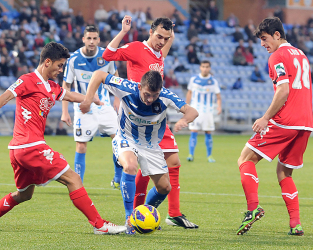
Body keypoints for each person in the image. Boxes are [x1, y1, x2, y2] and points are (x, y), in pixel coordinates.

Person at [0, 42, 126, 235]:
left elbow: (69, 95)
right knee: (73, 179)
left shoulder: (51, 87)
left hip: (18, 151)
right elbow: (6, 96)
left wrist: (90, 97)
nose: (61, 70)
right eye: (59, 65)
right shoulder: (27, 80)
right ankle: (99, 224)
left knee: (24, 194)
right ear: (47, 62)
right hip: (31, 146)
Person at [103, 16, 199, 229]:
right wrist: (123, 32)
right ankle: (139, 214)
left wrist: (169, 31)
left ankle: (152, 215)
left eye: (166, 38)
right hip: (137, 113)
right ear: (150, 31)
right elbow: (107, 54)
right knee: (143, 167)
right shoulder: (137, 48)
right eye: (158, 36)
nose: (162, 41)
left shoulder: (158, 54)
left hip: (155, 116)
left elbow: (165, 45)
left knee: (172, 162)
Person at [80, 70, 198, 234]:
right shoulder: (127, 88)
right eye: (147, 94)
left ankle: (143, 214)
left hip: (151, 146)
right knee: (129, 166)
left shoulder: (166, 96)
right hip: (126, 138)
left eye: (154, 95)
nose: (150, 100)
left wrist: (184, 120)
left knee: (164, 188)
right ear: (139, 86)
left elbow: (192, 111)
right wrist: (87, 99)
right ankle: (130, 218)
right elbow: (99, 75)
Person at [236, 17, 313, 236]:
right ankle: (295, 224)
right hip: (305, 123)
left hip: (285, 120)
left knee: (245, 159)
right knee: (284, 173)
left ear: (277, 35)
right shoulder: (301, 55)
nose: (262, 44)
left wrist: (266, 118)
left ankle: (252, 208)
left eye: (264, 38)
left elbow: (284, 90)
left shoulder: (277, 56)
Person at [61, 25, 119, 183]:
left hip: (104, 105)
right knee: (81, 146)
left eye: (94, 38)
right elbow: (66, 86)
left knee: (119, 140)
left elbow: (115, 76)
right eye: (89, 38)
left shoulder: (106, 56)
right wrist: (64, 111)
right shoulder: (73, 59)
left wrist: (117, 99)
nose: (92, 41)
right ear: (83, 39)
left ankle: (118, 178)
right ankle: (78, 182)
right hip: (83, 108)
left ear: (98, 40)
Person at [186, 60, 221, 163]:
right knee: (193, 131)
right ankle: (191, 154)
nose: (205, 69)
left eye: (207, 67)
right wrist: (186, 106)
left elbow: (218, 96)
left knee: (208, 132)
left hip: (208, 111)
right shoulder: (194, 80)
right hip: (195, 109)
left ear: (209, 68)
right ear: (200, 67)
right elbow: (189, 92)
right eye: (203, 66)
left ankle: (209, 156)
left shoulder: (213, 81)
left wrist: (219, 107)